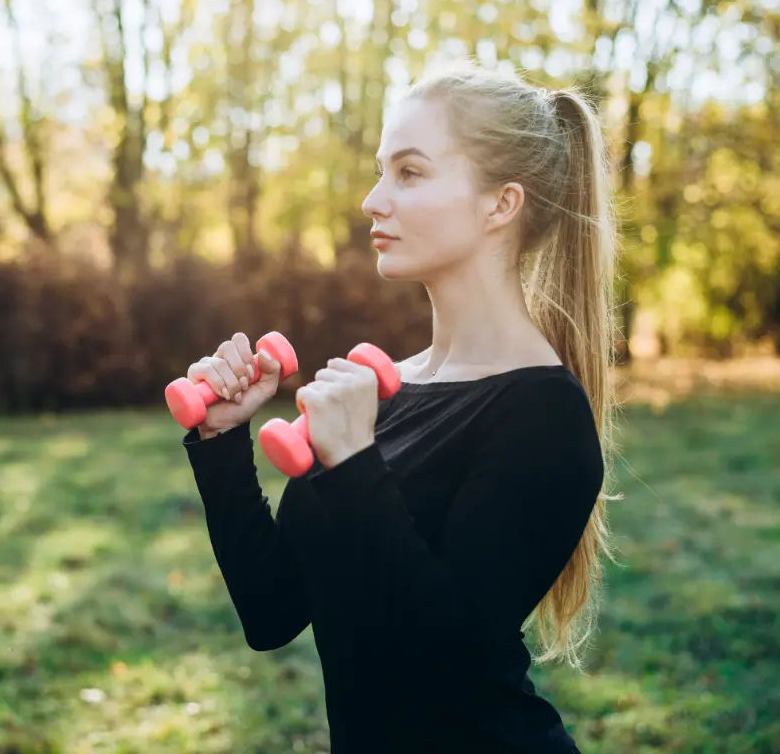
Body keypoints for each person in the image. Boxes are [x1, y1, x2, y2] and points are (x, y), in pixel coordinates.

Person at [179, 59, 621, 753]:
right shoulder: (385, 388)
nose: (372, 200)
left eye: (409, 173)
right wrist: (222, 441)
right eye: (382, 171)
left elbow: (441, 662)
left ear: (499, 205)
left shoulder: (543, 417)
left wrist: (356, 462)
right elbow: (272, 611)